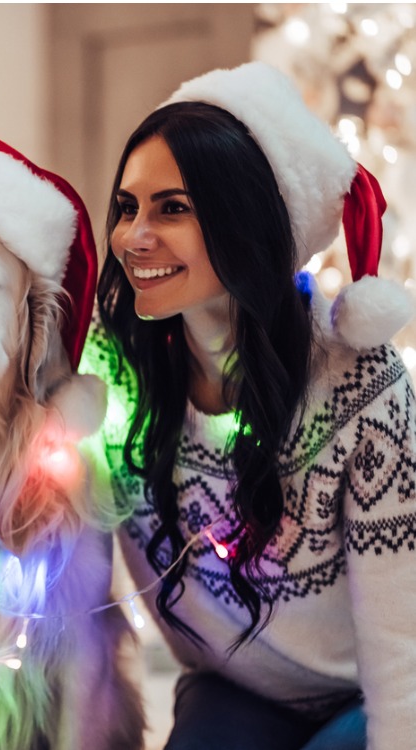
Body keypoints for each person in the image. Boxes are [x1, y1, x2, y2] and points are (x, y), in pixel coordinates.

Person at [81, 61, 416, 750]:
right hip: (232, 692)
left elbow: (401, 639)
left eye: (172, 208)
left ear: (245, 221)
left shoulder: (362, 384)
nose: (133, 237)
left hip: (366, 690)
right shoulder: (107, 370)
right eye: (127, 206)